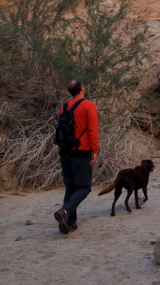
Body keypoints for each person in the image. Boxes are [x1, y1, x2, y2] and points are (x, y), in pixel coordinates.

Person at [54, 80, 99, 234]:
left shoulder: (63, 108)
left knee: (71, 187)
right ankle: (65, 212)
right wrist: (95, 150)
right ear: (81, 88)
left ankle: (69, 222)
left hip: (65, 152)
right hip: (81, 152)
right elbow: (93, 130)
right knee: (84, 187)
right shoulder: (88, 105)